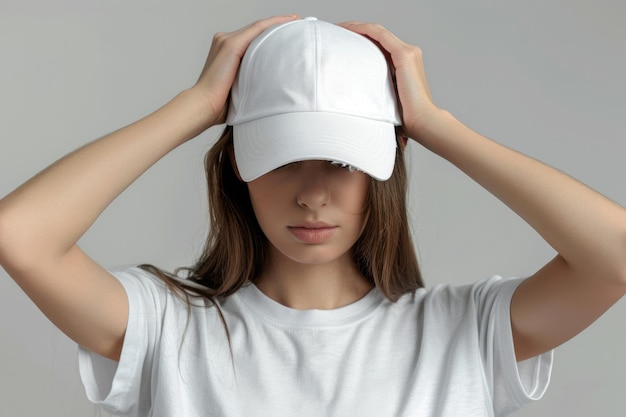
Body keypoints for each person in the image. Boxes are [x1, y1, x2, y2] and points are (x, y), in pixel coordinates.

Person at [0, 14, 624, 417]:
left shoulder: (461, 334)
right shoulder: (167, 328)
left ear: (386, 163)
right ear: (239, 163)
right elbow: (19, 236)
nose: (312, 194)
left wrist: (435, 124)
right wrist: (195, 106)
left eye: (343, 163)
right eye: (284, 160)